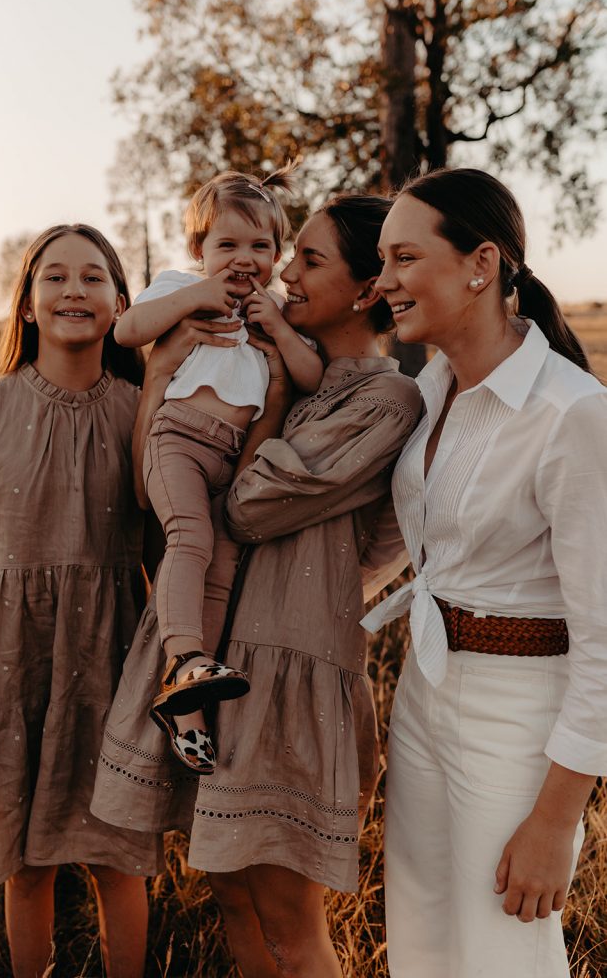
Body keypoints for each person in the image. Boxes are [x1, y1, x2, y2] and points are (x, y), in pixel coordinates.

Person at [91, 193, 422, 978]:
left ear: (367, 288)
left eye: (306, 259)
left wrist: (268, 403)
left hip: (289, 660)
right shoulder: (280, 366)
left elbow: (247, 505)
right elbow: (152, 487)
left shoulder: (383, 396)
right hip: (227, 655)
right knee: (232, 894)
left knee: (289, 918)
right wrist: (164, 375)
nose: (282, 276)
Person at [361, 167, 607, 978]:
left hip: (518, 719)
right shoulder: (428, 392)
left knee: (503, 952)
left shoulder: (569, 414)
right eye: (379, 260)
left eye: (402, 257)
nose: (384, 280)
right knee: (424, 936)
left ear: (480, 263)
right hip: (424, 694)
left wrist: (554, 818)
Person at [0, 224, 163, 978]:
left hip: (118, 668)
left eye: (93, 278)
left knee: (118, 862)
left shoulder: (144, 414)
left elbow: (171, 556)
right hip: (11, 671)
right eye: (54, 277)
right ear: (26, 304)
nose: (73, 291)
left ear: (122, 304)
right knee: (25, 866)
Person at [114, 168, 323, 774]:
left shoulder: (275, 311)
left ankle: (187, 702)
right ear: (198, 251)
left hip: (232, 458)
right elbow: (127, 329)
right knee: (190, 538)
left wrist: (278, 327)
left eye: (259, 246)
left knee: (223, 560)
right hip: (175, 440)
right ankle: (185, 658)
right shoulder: (179, 286)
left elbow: (306, 377)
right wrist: (192, 297)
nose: (243, 258)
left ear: (277, 255)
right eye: (226, 245)